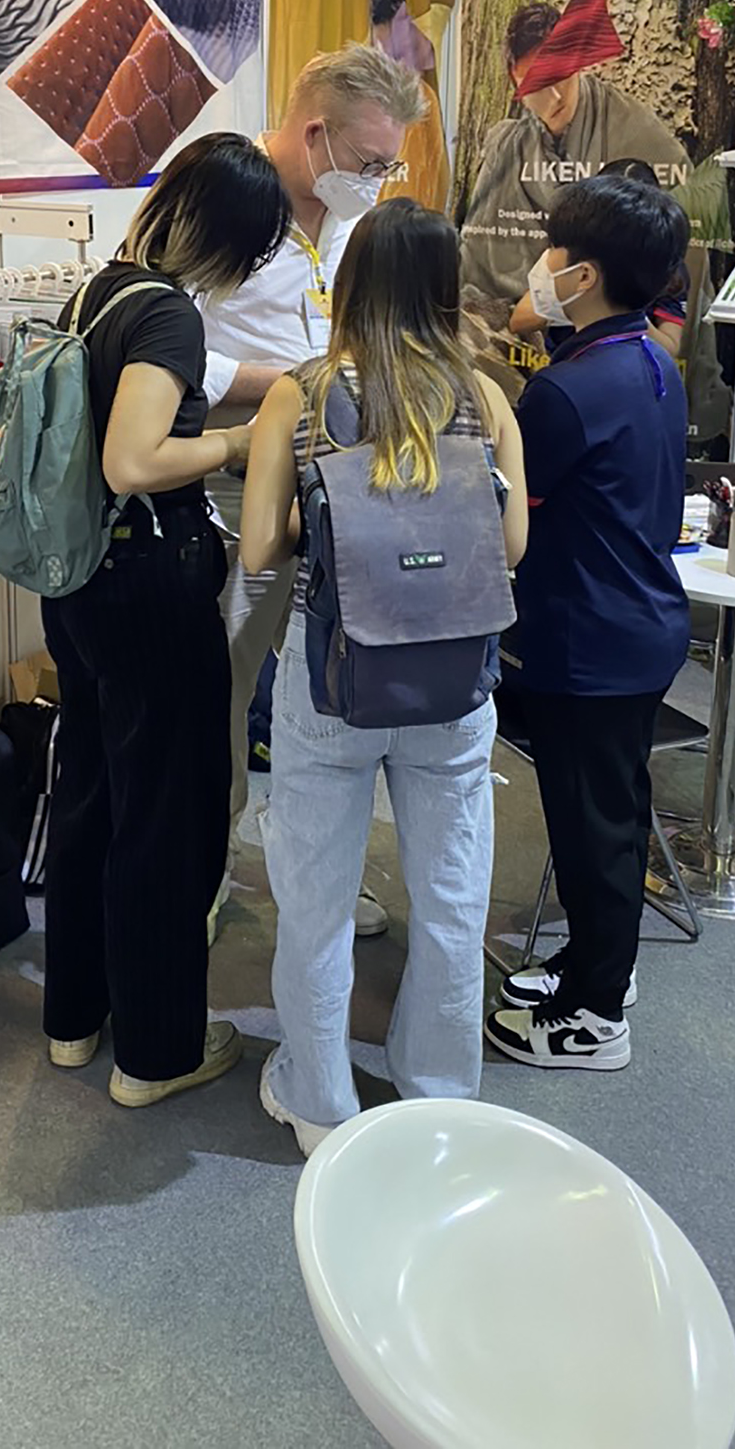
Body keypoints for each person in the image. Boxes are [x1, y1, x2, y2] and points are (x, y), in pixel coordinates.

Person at [240, 199, 528, 1154]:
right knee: (451, 897)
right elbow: (512, 547)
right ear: (447, 287)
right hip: (452, 680)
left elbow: (258, 552)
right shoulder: (483, 398)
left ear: (350, 284)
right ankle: (439, 1089)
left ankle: (318, 1102)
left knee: (316, 900)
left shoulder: (301, 395)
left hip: (331, 676)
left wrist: (335, 520)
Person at [42, 135, 289, 1108]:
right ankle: (155, 1054)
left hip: (80, 580)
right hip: (149, 585)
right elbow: (134, 460)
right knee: (167, 818)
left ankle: (76, 1018)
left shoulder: (97, 292)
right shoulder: (169, 314)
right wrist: (238, 443)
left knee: (93, 793)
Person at [199, 44, 427, 939]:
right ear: (314, 133)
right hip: (237, 482)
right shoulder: (220, 195)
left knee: (329, 685)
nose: (376, 181)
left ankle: (322, 874)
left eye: (388, 167)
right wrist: (291, 383)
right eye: (369, 161)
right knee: (224, 685)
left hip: (339, 482)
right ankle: (205, 870)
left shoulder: (347, 217)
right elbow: (161, 344)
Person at [484, 173, 691, 1073]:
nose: (543, 265)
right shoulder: (649, 358)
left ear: (585, 274)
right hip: (638, 623)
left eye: (554, 251)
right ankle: (598, 963)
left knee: (592, 828)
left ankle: (595, 1018)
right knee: (614, 815)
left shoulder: (565, 394)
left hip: (586, 639)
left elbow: (509, 515)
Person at [460, 0, 691, 393]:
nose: (553, 97)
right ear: (516, 83)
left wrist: (619, 312)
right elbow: (512, 307)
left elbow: (670, 343)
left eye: (561, 76)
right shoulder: (508, 146)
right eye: (536, 83)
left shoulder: (636, 133)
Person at [508, 157, 688, 360]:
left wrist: (625, 314)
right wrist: (575, 301)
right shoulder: (572, 248)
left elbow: (670, 348)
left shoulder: (665, 266)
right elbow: (520, 320)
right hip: (567, 361)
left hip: (623, 365)